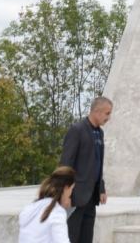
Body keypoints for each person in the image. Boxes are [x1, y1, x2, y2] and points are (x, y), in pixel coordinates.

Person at [60, 95, 113, 243]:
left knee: (86, 239)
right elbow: (65, 164)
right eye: (107, 113)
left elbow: (97, 162)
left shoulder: (99, 133)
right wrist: (65, 194)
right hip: (76, 197)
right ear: (96, 111)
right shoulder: (77, 130)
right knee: (72, 238)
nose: (109, 117)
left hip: (91, 197)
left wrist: (101, 188)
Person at [19, 165, 76, 243]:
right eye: (72, 189)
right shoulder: (57, 213)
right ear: (66, 188)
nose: (71, 194)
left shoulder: (31, 208)